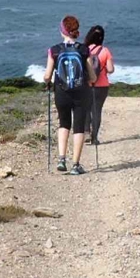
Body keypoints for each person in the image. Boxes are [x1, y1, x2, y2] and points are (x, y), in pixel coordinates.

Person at [43, 15, 98, 174]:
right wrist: (91, 80)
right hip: (81, 92)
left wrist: (47, 82)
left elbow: (47, 75)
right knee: (79, 126)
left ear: (62, 31)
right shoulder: (83, 49)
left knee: (63, 123)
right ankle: (76, 165)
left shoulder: (54, 50)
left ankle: (61, 159)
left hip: (62, 92)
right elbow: (92, 76)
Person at [84, 24, 115, 145]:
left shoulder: (84, 49)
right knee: (97, 110)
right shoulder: (105, 51)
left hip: (87, 84)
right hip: (102, 85)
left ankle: (86, 131)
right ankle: (94, 138)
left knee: (86, 109)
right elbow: (111, 69)